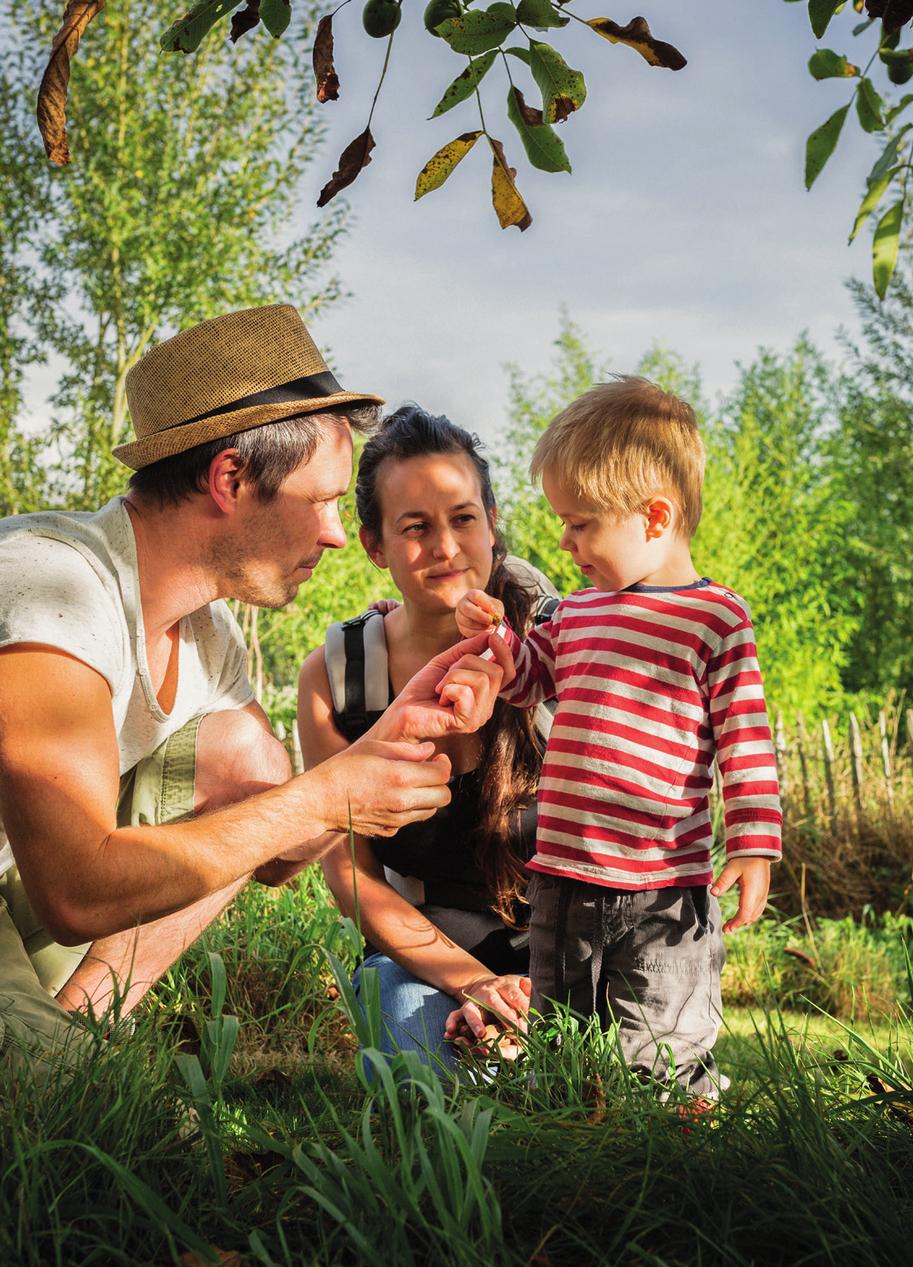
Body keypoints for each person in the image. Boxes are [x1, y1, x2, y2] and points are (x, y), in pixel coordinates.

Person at [0, 305, 506, 1075]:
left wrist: (385, 742)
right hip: (49, 885)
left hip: (20, 898)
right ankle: (59, 1067)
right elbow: (74, 889)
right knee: (138, 1144)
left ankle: (83, 1034)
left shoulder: (208, 638)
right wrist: (324, 797)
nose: (340, 533)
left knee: (245, 760)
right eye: (325, 499)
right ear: (230, 476)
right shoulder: (52, 583)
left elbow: (272, 846)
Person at [446, 376, 782, 1100]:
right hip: (564, 875)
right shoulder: (578, 611)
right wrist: (501, 642)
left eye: (581, 523)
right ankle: (571, 1131)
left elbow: (744, 738)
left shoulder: (714, 618)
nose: (565, 543)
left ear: (654, 516)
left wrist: (755, 840)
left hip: (663, 885)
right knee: (563, 1028)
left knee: (657, 1038)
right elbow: (530, 678)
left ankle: (673, 1133)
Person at [298, 405, 558, 1075]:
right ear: (375, 546)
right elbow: (350, 875)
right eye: (415, 527)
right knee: (431, 1067)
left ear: (493, 526)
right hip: (419, 960)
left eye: (463, 518)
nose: (445, 546)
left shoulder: (557, 647)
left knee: (590, 1080)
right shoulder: (339, 678)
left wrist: (526, 994)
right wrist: (474, 984)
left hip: (565, 953)